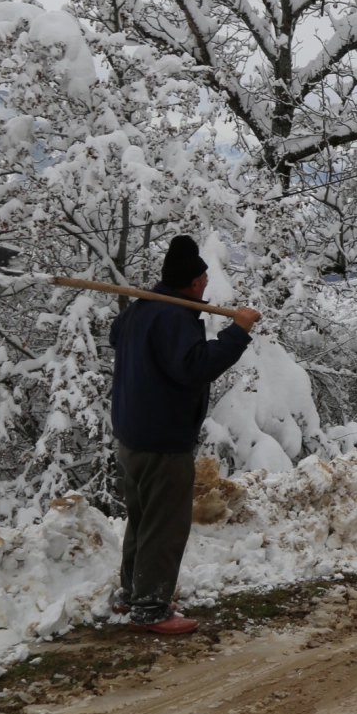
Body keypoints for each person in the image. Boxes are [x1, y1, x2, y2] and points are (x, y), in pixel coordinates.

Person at [109, 235, 260, 635]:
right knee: (164, 524)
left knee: (143, 519)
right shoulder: (172, 317)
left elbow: (115, 334)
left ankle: (131, 594)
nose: (207, 284)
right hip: (162, 438)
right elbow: (195, 366)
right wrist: (237, 333)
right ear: (193, 284)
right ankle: (151, 607)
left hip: (132, 434)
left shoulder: (143, 309)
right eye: (204, 278)